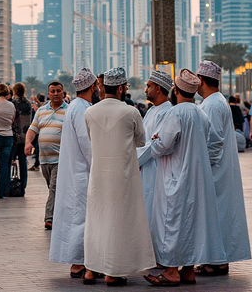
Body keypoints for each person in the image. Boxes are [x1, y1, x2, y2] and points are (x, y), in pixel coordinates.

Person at [143, 69, 226, 286]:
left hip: (175, 176)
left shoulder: (176, 113)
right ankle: (188, 270)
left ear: (176, 90)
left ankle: (171, 271)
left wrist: (155, 140)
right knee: (192, 223)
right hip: (197, 178)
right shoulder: (201, 113)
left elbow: (163, 145)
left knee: (172, 222)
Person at [83, 67, 155, 286]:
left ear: (103, 87)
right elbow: (141, 140)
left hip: (98, 176)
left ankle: (90, 269)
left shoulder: (90, 112)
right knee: (119, 221)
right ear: (122, 88)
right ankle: (112, 273)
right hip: (123, 176)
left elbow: (91, 138)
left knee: (97, 219)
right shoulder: (131, 112)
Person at [194, 61, 251, 278]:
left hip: (215, 171)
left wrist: (204, 168)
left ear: (201, 80)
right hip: (219, 169)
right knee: (218, 215)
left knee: (217, 215)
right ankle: (215, 259)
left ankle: (218, 262)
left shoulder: (213, 104)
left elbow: (214, 141)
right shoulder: (216, 102)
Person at [49, 69, 98, 280]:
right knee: (81, 218)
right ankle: (79, 263)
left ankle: (80, 262)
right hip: (82, 172)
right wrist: (99, 166)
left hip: (75, 172)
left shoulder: (77, 107)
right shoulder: (81, 109)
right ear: (93, 87)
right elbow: (88, 145)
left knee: (77, 216)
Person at [24, 81, 66, 229]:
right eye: (52, 91)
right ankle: (63, 213)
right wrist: (28, 143)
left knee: (54, 188)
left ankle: (50, 218)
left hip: (61, 159)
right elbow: (32, 130)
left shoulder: (69, 111)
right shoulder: (42, 111)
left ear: (63, 93)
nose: (55, 94)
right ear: (48, 94)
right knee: (53, 189)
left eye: (58, 91)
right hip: (44, 160)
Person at [137, 70, 173, 226]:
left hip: (156, 169)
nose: (146, 90)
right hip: (145, 169)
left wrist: (133, 159)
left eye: (148, 86)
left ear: (158, 89)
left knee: (154, 211)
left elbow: (156, 144)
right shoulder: (151, 110)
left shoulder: (167, 111)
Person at [10, 82, 33, 195]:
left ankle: (9, 186)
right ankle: (23, 186)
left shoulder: (13, 103)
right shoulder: (28, 103)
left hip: (15, 136)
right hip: (26, 136)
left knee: (10, 161)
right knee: (23, 162)